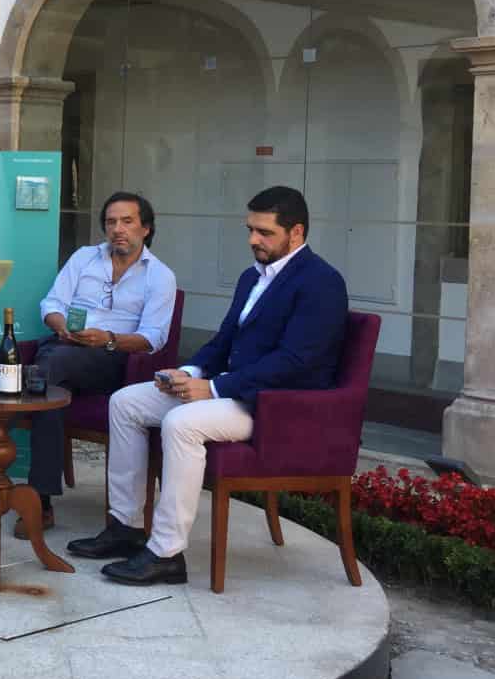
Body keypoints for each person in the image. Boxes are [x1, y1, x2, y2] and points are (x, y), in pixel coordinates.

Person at [68, 185, 348, 585]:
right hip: (236, 391)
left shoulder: (321, 283)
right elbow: (225, 341)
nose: (253, 239)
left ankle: (165, 554)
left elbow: (295, 363)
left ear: (297, 233)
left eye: (265, 232)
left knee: (182, 423)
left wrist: (216, 389)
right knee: (127, 402)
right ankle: (125, 528)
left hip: (277, 405)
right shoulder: (252, 276)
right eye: (250, 229)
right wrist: (192, 372)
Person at [0, 192, 175, 533]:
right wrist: (61, 326)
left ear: (146, 228)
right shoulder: (85, 258)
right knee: (49, 393)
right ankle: (40, 502)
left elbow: (154, 337)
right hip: (64, 347)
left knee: (45, 370)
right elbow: (52, 303)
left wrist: (108, 339)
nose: (117, 229)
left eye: (127, 221)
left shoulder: (160, 276)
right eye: (111, 222)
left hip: (114, 361)